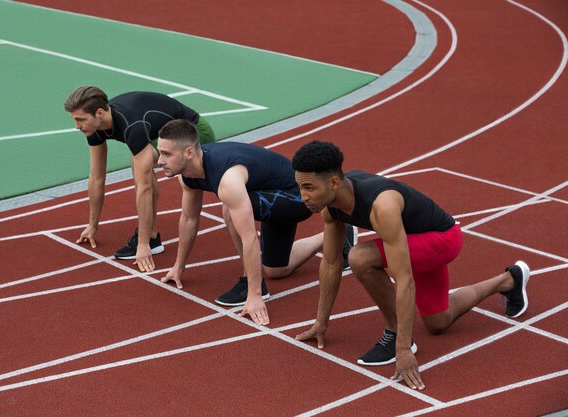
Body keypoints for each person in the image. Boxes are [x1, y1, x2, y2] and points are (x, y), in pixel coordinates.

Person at [291, 140, 530, 391]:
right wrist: (321, 321)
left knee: (360, 257)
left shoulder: (381, 205)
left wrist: (403, 348)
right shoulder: (331, 208)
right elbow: (330, 263)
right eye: (300, 188)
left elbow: (403, 277)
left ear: (333, 183)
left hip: (443, 239)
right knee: (438, 322)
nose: (303, 197)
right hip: (415, 243)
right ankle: (509, 280)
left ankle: (393, 333)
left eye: (309, 188)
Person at [156, 119, 325, 325]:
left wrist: (254, 294)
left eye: (166, 154)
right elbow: (189, 218)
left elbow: (249, 238)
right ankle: (333, 237)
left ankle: (251, 283)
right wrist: (178, 266)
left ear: (189, 153)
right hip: (268, 193)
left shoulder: (227, 178)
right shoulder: (187, 174)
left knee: (229, 208)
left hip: (298, 197)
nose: (159, 161)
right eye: (160, 152)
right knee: (276, 270)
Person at [64, 86, 216, 272]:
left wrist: (142, 246)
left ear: (100, 113)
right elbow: (96, 178)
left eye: (80, 120)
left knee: (140, 165)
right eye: (75, 120)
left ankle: (150, 240)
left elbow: (145, 188)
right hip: (163, 135)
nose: (77, 126)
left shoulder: (131, 125)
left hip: (194, 132)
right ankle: (151, 237)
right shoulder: (95, 128)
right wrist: (92, 225)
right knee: (139, 162)